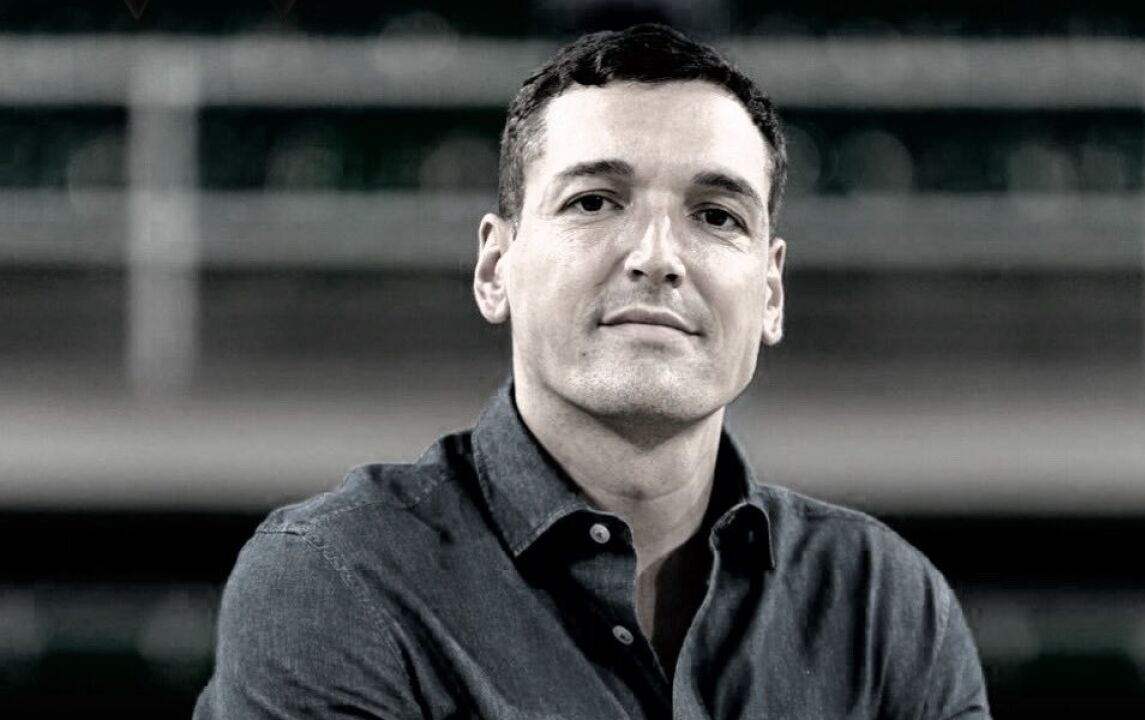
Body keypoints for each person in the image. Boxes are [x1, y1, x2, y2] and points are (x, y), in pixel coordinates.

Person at [194, 23, 991, 719]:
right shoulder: (339, 581)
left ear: (771, 294)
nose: (656, 257)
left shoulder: (887, 606)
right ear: (494, 268)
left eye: (716, 215)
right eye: (594, 201)